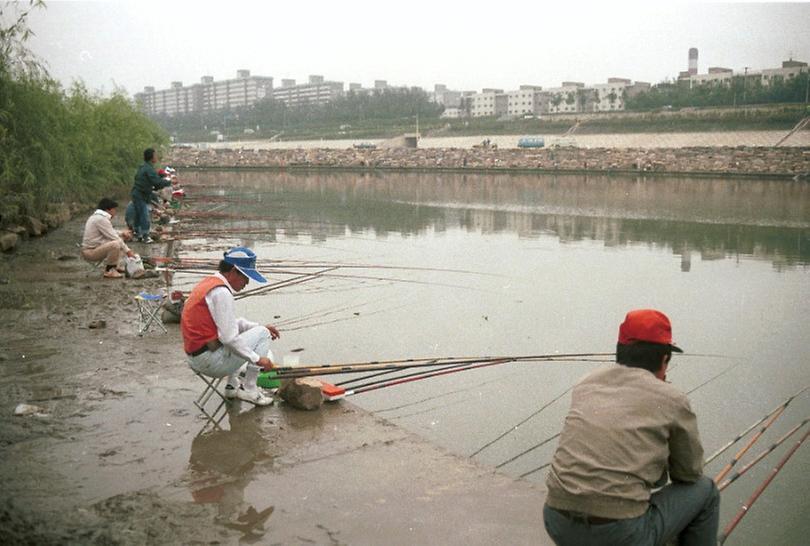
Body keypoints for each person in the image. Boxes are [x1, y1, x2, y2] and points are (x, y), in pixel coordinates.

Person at [543, 309, 719, 546]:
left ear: (620, 351)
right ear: (665, 359)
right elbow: (688, 473)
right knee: (706, 490)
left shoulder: (586, 384)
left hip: (557, 521)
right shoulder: (672, 399)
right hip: (620, 534)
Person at [181, 247, 280, 406]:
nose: (247, 283)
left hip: (196, 357)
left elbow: (232, 324)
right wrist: (258, 359)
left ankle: (232, 385)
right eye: (246, 277)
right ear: (234, 271)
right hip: (209, 361)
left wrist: (257, 327)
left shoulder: (210, 283)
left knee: (255, 333)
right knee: (260, 334)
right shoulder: (222, 292)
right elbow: (228, 338)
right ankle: (249, 388)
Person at [80, 197, 135, 279]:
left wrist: (122, 233)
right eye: (114, 210)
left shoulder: (97, 217)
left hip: (94, 248)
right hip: (90, 252)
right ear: (108, 210)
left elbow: (110, 231)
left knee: (119, 239)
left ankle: (115, 266)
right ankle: (109, 271)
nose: (115, 212)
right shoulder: (101, 219)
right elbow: (114, 237)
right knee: (115, 244)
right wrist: (129, 252)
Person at [132, 148, 171, 243]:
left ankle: (138, 234)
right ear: (151, 157)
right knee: (144, 215)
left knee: (139, 215)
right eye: (155, 155)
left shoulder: (143, 167)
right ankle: (145, 236)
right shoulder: (148, 169)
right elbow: (157, 182)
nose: (156, 157)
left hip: (139, 194)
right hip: (140, 194)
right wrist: (168, 182)